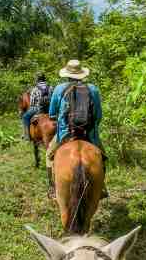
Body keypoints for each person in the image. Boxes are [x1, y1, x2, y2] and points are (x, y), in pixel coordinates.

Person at [45, 59, 106, 199]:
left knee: (49, 154)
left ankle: (53, 187)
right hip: (90, 135)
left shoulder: (59, 89)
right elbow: (98, 116)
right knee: (102, 157)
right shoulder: (93, 89)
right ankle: (101, 187)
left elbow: (52, 113)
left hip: (66, 135)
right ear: (82, 74)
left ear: (66, 74)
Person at [22, 73, 53, 141]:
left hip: (38, 109)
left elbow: (32, 103)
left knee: (25, 117)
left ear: (37, 79)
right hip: (49, 109)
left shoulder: (35, 89)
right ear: (44, 79)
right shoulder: (50, 87)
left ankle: (27, 136)